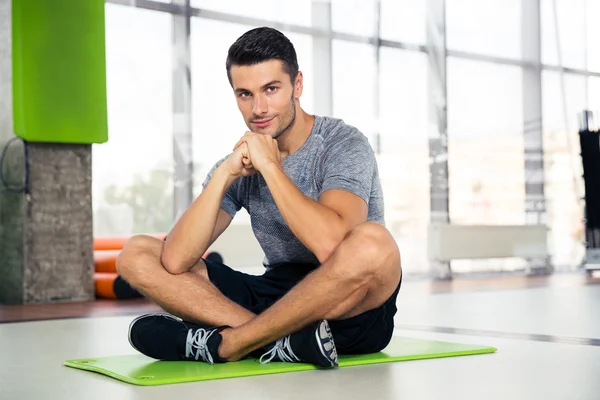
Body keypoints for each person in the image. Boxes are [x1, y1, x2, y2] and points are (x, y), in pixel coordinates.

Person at [116, 26, 402, 368]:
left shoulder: (342, 143)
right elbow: (175, 261)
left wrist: (270, 167)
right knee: (137, 253)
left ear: (297, 85)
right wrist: (225, 174)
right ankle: (281, 342)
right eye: (245, 94)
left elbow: (333, 245)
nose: (258, 108)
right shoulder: (242, 159)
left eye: (271, 89)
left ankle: (230, 343)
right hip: (275, 295)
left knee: (374, 244)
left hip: (349, 309)